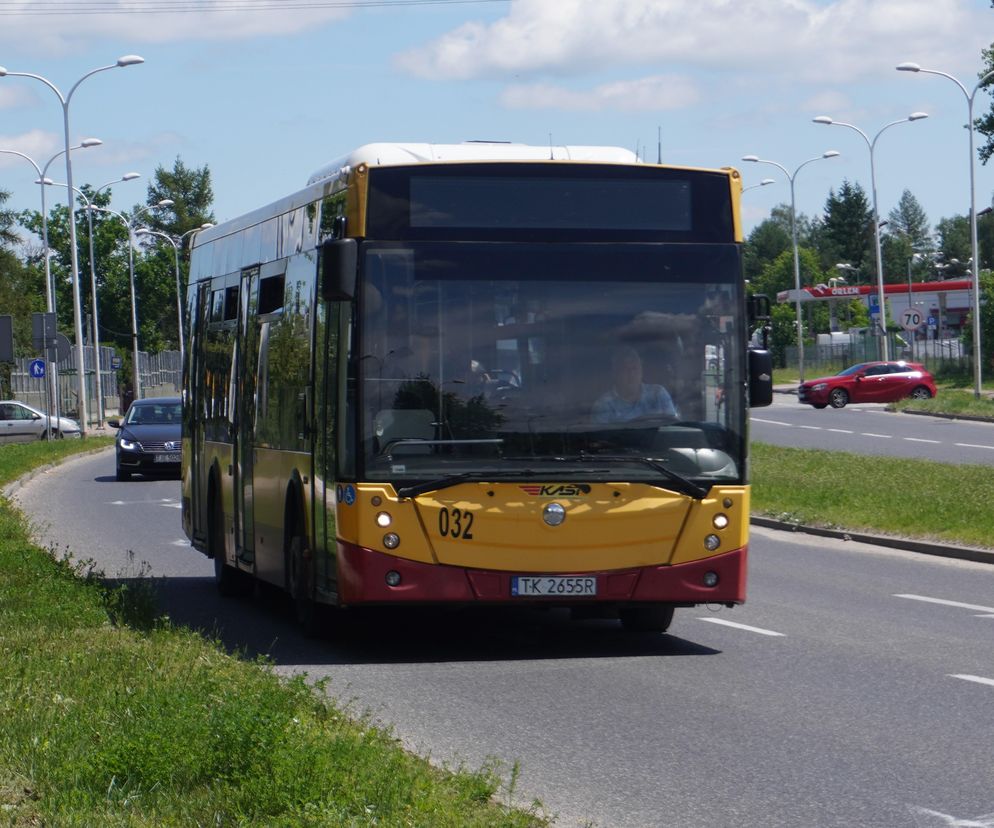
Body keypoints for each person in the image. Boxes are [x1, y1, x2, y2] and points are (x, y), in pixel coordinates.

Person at [591, 346, 679, 423]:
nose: (631, 374)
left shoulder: (658, 394)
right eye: (625, 369)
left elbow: (673, 428)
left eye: (635, 368)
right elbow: (600, 441)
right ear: (615, 373)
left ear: (641, 370)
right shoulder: (604, 406)